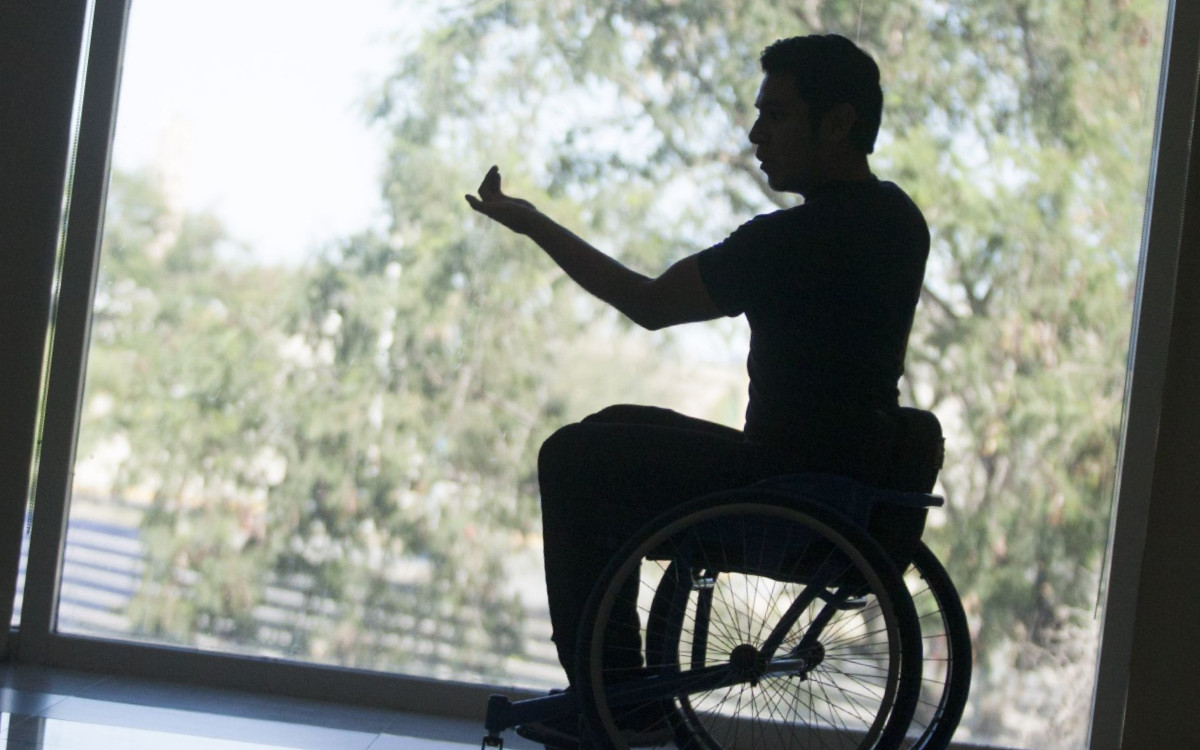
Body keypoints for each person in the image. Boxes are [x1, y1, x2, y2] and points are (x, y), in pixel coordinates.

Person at [466, 33, 930, 749]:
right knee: (615, 424)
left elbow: (647, 303)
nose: (756, 135)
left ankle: (612, 700)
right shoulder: (898, 220)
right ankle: (615, 689)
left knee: (572, 458)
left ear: (837, 122)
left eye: (776, 115)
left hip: (785, 485)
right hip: (847, 481)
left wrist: (532, 224)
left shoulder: (792, 239)